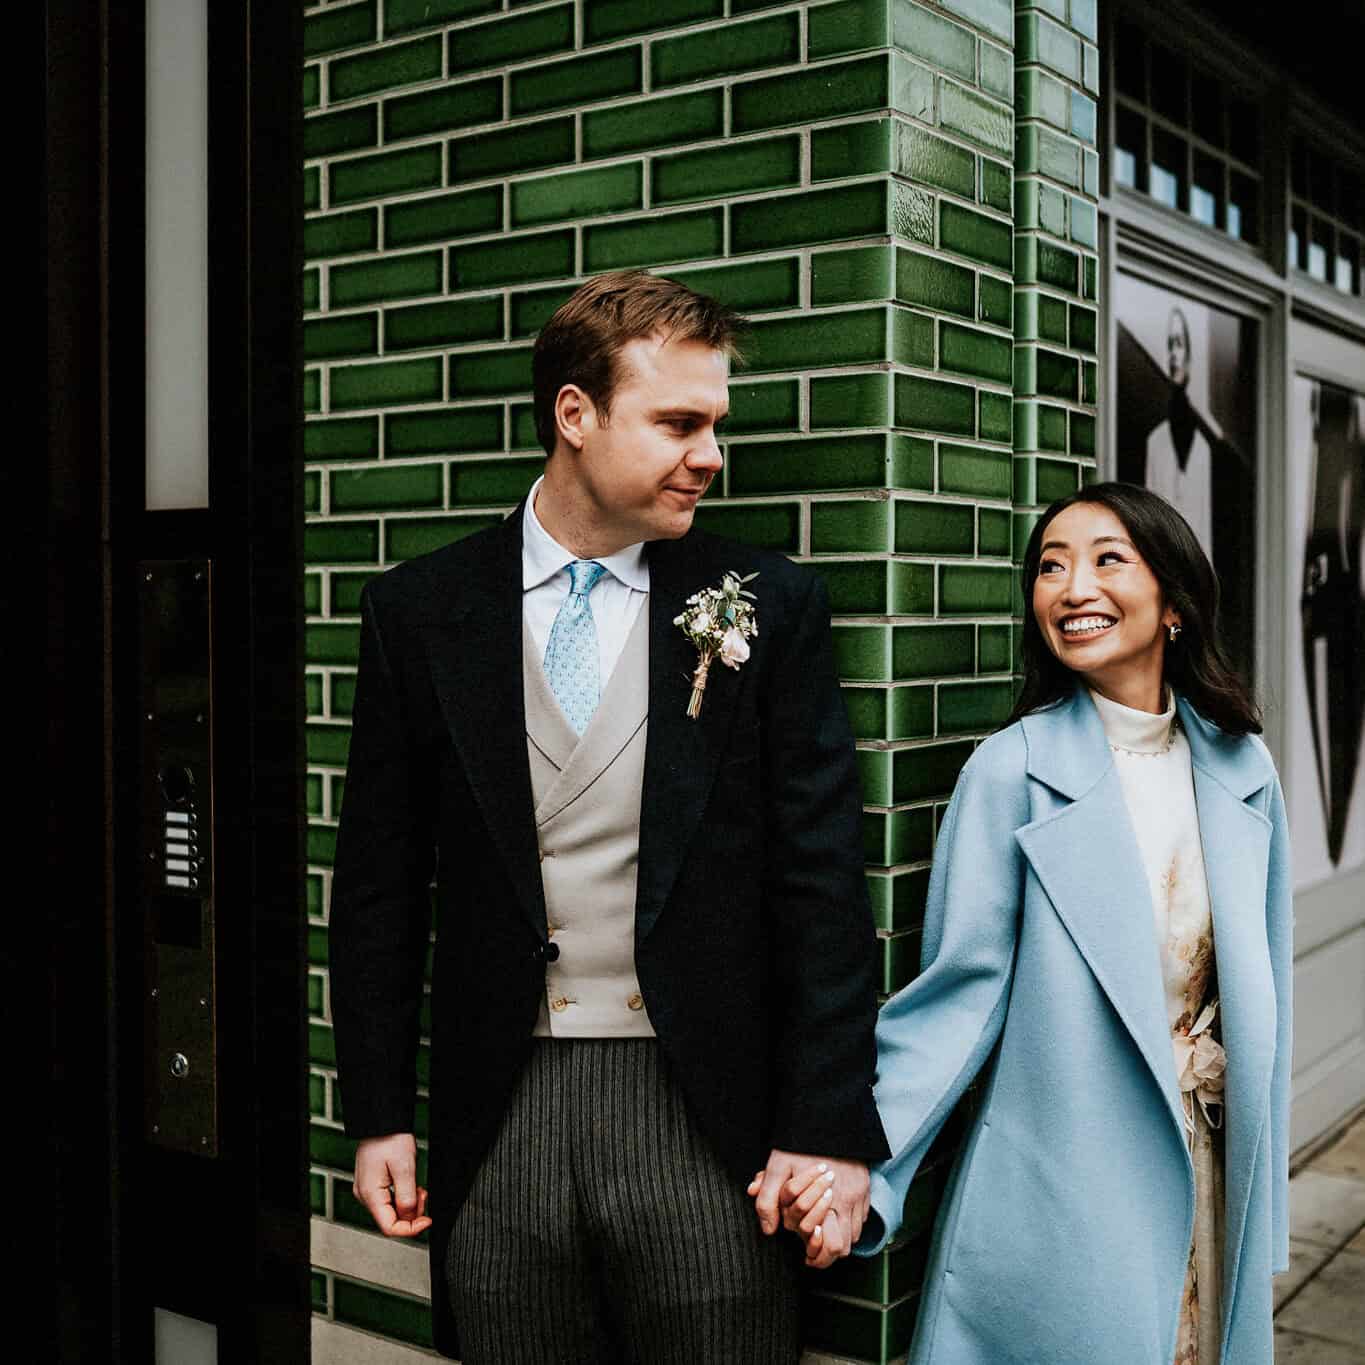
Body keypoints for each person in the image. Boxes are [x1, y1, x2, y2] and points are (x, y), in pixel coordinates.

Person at [328, 269, 888, 1364]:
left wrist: (825, 1131)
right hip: (501, 1105)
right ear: (574, 416)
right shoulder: (419, 610)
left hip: (706, 1106)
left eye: (716, 423)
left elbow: (821, 885)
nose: (711, 453)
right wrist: (381, 1110)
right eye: (679, 421)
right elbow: (378, 885)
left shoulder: (767, 603)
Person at [777, 482, 1291, 1363]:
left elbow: (1265, 998)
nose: (1071, 587)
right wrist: (861, 1163)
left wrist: (1261, 1200)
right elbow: (954, 1000)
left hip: (1207, 1171)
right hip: (1067, 1186)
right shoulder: (1010, 771)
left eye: (1106, 560)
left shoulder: (1242, 766)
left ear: (1173, 600)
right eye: (1050, 567)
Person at [1146, 307, 1213, 555]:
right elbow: (1148, 522)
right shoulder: (1156, 441)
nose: (1174, 353)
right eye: (1170, 345)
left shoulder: (1202, 449)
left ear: (1189, 356)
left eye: (1179, 344)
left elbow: (1205, 532)